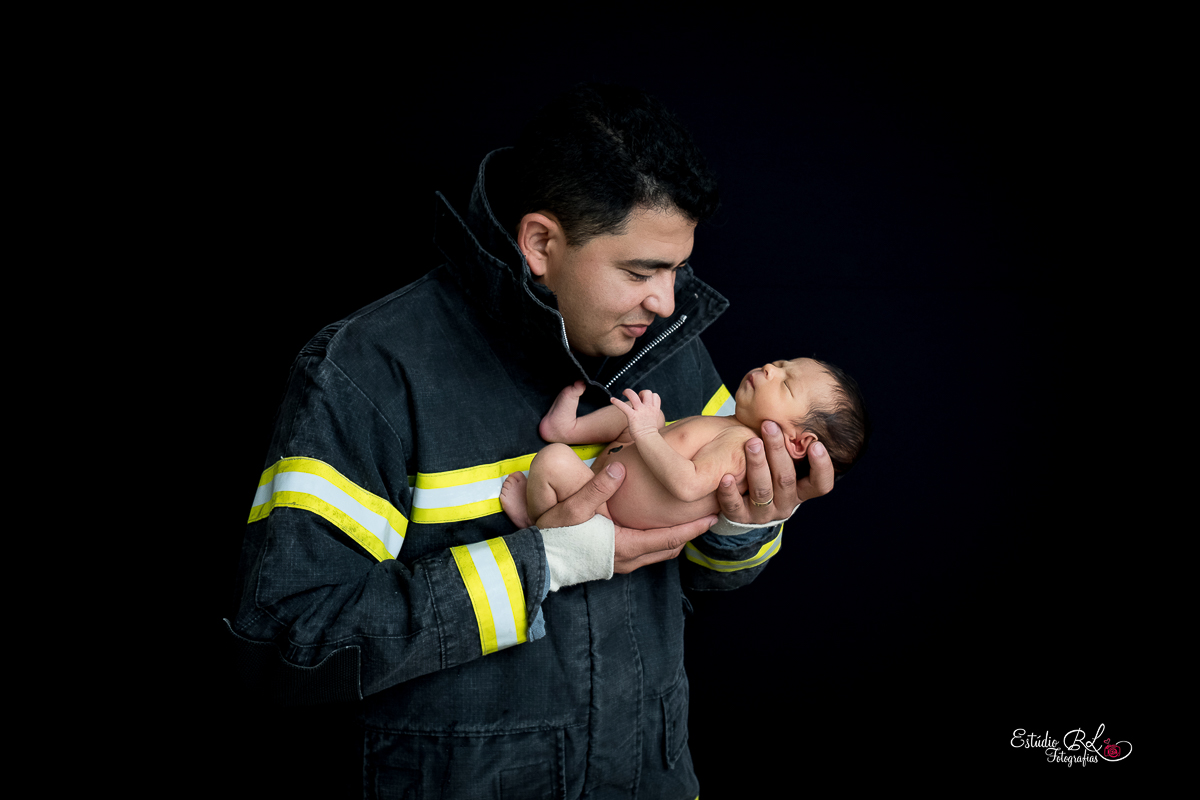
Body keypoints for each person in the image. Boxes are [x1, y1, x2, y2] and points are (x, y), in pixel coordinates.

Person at [225, 83, 835, 798]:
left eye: (676, 269)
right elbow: (286, 647)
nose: (668, 303)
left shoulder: (669, 347)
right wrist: (538, 562)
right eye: (641, 272)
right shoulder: (372, 370)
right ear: (541, 242)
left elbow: (706, 574)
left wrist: (745, 522)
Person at [503, 358, 867, 532]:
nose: (771, 368)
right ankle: (567, 427)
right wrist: (648, 428)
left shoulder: (744, 447)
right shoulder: (735, 424)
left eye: (786, 384)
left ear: (798, 444)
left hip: (606, 509)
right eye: (783, 363)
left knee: (552, 462)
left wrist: (645, 434)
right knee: (645, 412)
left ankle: (538, 522)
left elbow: (688, 484)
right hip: (612, 470)